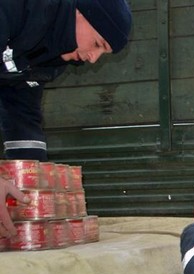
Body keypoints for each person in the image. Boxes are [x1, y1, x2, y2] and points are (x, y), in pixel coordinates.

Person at [0, 0, 132, 238]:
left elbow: (22, 115)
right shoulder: (19, 7)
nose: (93, 58)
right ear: (81, 13)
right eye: (97, 44)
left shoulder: (48, 57)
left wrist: (30, 191)